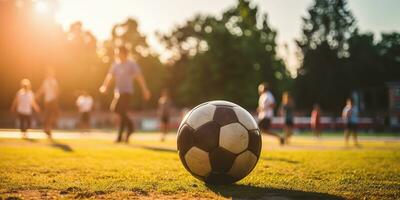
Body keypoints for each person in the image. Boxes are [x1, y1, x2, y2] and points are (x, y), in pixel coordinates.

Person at [99, 46, 151, 143]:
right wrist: (105, 86)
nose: (118, 54)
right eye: (117, 53)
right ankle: (128, 130)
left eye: (120, 53)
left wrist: (145, 89)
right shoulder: (115, 65)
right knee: (117, 110)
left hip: (127, 92)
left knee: (120, 111)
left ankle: (123, 134)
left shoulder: (131, 64)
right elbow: (110, 76)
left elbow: (139, 77)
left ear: (125, 53)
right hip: (118, 92)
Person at [36, 67, 59, 139]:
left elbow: (56, 91)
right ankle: (47, 129)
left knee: (50, 115)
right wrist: (37, 96)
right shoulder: (47, 81)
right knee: (48, 115)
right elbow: (42, 90)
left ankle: (47, 129)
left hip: (51, 100)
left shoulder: (53, 81)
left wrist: (55, 99)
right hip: (48, 101)